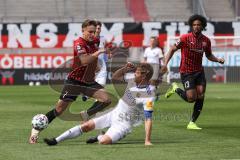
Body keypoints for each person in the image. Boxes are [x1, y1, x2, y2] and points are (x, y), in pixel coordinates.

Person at [29, 19, 112, 144]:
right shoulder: (79, 43)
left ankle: (86, 115)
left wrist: (96, 66)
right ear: (83, 31)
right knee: (59, 110)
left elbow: (92, 59)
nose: (92, 34)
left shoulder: (96, 40)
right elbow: (84, 60)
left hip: (88, 82)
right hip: (75, 81)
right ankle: (35, 131)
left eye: (94, 32)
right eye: (90, 31)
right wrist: (99, 52)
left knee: (107, 99)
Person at [43, 63, 156, 146]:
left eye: (136, 73)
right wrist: (124, 69)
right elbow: (115, 77)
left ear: (143, 76)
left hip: (123, 124)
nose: (134, 75)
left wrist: (147, 140)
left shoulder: (149, 95)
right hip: (112, 114)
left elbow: (148, 119)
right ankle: (55, 141)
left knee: (104, 141)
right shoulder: (132, 81)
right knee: (86, 126)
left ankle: (99, 137)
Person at [162, 14, 225, 130]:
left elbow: (209, 55)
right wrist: (165, 64)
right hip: (186, 72)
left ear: (202, 26)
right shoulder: (185, 38)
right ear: (191, 26)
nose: (196, 27)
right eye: (194, 25)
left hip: (199, 72)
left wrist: (217, 59)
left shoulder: (206, 41)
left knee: (200, 95)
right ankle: (175, 88)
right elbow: (172, 49)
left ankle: (192, 122)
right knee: (191, 98)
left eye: (198, 25)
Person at [82, 21, 108, 101]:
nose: (97, 30)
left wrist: (107, 56)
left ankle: (90, 96)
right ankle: (89, 94)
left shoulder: (103, 39)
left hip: (101, 64)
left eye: (99, 28)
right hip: (92, 64)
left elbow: (105, 50)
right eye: (96, 28)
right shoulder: (89, 40)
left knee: (101, 84)